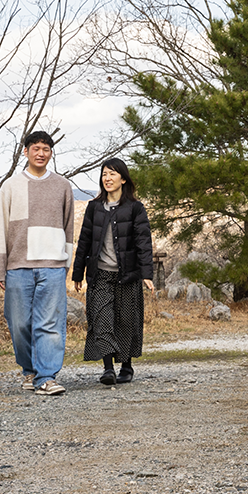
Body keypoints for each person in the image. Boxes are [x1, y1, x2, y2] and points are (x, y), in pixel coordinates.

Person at [0, 131, 75, 396]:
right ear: (26, 151)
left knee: (49, 323)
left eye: (46, 149)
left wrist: (66, 262)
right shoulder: (11, 185)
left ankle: (47, 376)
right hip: (18, 265)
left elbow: (69, 226)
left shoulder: (63, 185)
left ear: (51, 152)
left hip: (53, 264)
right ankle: (29, 369)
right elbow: (0, 228)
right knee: (19, 323)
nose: (41, 153)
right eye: (36, 148)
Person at [71, 158, 155, 385]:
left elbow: (143, 242)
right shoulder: (94, 207)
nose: (107, 178)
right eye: (104, 174)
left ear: (123, 179)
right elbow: (84, 241)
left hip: (128, 275)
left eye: (112, 174)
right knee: (102, 319)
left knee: (127, 321)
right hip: (100, 275)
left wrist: (147, 274)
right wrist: (78, 273)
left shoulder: (135, 208)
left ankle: (126, 366)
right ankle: (108, 368)